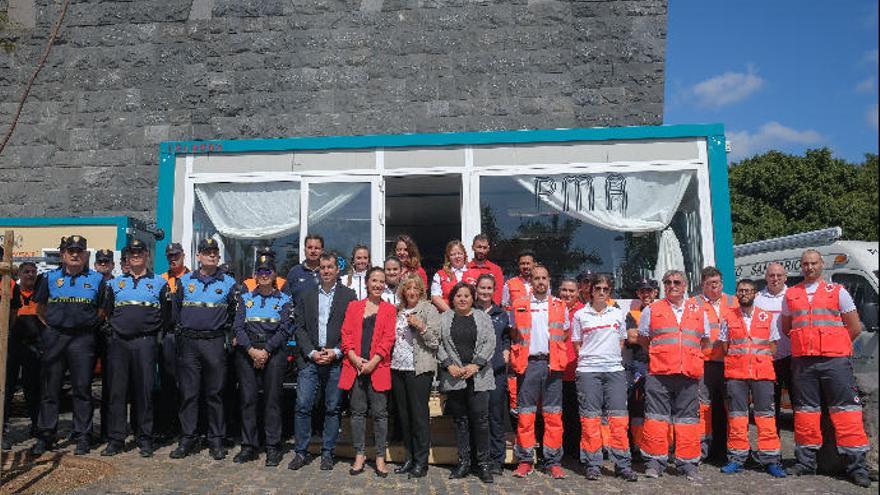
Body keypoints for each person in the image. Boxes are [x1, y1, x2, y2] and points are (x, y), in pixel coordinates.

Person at [781, 250, 871, 487]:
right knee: (805, 413)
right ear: (800, 267)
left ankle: (857, 466)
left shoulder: (838, 292)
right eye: (805, 264)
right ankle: (806, 462)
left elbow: (854, 327)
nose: (809, 267)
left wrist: (834, 345)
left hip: (834, 362)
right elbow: (787, 328)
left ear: (822, 264)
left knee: (846, 412)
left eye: (813, 263)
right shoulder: (791, 294)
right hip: (803, 362)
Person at [31, 235, 107, 456]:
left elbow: (102, 310)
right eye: (70, 251)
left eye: (79, 251)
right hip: (55, 338)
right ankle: (46, 435)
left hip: (83, 340)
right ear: (63, 255)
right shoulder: (49, 278)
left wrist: (86, 326)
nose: (75, 254)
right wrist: (53, 328)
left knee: (82, 389)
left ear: (85, 255)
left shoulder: (96, 280)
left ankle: (83, 435)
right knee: (50, 389)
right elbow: (40, 308)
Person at [637, 269, 710, 480]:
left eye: (677, 282)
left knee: (688, 421)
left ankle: (687, 464)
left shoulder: (699, 311)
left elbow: (704, 340)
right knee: (656, 419)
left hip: (688, 373)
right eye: (667, 282)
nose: (672, 285)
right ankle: (655, 462)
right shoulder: (651, 309)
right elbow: (643, 339)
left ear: (685, 285)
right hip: (659, 373)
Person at [100, 239, 170, 458]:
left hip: (145, 343)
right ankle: (116, 439)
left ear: (147, 255)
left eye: (140, 252)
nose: (136, 255)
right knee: (117, 392)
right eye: (132, 253)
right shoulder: (115, 284)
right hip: (119, 343)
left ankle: (145, 438)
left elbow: (166, 316)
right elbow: (107, 312)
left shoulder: (160, 283)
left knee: (144, 392)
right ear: (127, 257)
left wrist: (155, 338)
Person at [169, 238, 237, 460]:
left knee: (215, 394)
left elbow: (235, 314)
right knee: (188, 393)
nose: (211, 255)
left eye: (214, 252)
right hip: (189, 343)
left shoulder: (228, 283)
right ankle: (187, 438)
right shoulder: (186, 280)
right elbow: (176, 311)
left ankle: (216, 440)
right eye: (206, 252)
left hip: (214, 343)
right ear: (198, 256)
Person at [289, 253, 357, 471]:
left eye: (330, 267)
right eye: (323, 267)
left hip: (335, 360)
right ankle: (301, 452)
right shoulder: (306, 295)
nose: (326, 271)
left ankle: (328, 452)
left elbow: (352, 329)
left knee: (332, 408)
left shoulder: (349, 295)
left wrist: (336, 351)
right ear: (318, 270)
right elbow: (299, 327)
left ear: (337, 270)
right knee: (302, 406)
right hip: (311, 360)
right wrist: (310, 352)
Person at [571, 274, 637, 482]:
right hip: (589, 371)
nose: (601, 292)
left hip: (614, 371)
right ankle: (593, 464)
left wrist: (608, 359)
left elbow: (621, 342)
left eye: (605, 289)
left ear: (610, 292)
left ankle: (622, 464)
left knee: (619, 419)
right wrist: (592, 358)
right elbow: (577, 344)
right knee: (590, 420)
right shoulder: (580, 315)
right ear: (591, 291)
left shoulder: (617, 314)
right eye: (597, 288)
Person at [718, 279, 785, 478]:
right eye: (740, 290)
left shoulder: (767, 317)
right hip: (736, 375)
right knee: (737, 417)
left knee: (765, 417)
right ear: (737, 294)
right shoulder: (728, 317)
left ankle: (770, 460)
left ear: (755, 293)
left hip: (762, 373)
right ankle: (737, 459)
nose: (744, 293)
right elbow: (724, 346)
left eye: (748, 290)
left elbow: (773, 346)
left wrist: (757, 359)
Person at [510, 265, 570, 480]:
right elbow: (514, 333)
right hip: (528, 365)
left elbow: (563, 334)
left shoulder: (560, 305)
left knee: (553, 416)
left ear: (549, 279)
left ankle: (553, 462)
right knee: (525, 415)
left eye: (544, 278)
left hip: (552, 365)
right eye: (536, 278)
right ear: (531, 281)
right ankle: (526, 460)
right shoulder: (518, 305)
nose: (540, 282)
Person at [232, 255, 293, 466]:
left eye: (268, 271)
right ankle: (249, 445)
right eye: (260, 271)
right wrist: (251, 350)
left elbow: (285, 329)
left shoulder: (284, 300)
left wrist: (265, 350)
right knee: (248, 400)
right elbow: (238, 327)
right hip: (247, 352)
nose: (264, 275)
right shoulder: (245, 298)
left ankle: (273, 447)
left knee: (272, 401)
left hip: (273, 352)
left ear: (274, 274)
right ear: (255, 275)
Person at [340, 267, 396, 478]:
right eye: (374, 280)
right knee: (357, 413)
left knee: (380, 415)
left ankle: (380, 456)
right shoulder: (354, 306)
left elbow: (388, 339)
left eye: (381, 281)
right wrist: (354, 358)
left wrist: (373, 361)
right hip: (355, 368)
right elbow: (345, 334)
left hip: (377, 368)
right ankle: (360, 454)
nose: (378, 285)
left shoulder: (389, 309)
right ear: (367, 283)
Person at [437, 282, 496, 483]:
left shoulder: (483, 317)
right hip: (455, 378)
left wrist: (476, 365)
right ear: (452, 299)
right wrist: (448, 365)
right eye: (458, 296)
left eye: (467, 296)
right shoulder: (444, 318)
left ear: (473, 298)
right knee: (460, 421)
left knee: (480, 421)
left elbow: (490, 343)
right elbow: (437, 344)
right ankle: (463, 462)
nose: (463, 299)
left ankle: (484, 464)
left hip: (478, 376)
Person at [390, 273, 440, 478]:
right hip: (398, 367)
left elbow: (435, 341)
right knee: (404, 416)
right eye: (407, 288)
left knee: (419, 416)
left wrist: (421, 326)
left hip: (419, 369)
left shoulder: (429, 309)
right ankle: (409, 458)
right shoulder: (398, 311)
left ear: (421, 291)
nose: (411, 292)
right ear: (402, 291)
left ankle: (421, 461)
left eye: (415, 288)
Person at [473, 273, 510, 475]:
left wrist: (506, 350)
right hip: (475, 372)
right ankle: (480, 457)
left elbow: (506, 338)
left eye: (489, 288)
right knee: (479, 417)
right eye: (482, 288)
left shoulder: (501, 314)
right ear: (476, 289)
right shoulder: (469, 310)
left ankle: (497, 459)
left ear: (493, 290)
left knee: (496, 417)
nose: (485, 292)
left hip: (496, 372)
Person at [699, 266, 737, 461]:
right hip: (704, 363)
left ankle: (732, 451)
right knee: (703, 408)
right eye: (709, 283)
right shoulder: (693, 303)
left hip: (730, 362)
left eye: (717, 283)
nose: (714, 287)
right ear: (702, 285)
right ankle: (703, 451)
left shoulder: (734, 301)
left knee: (731, 407)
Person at [156, 242, 189, 440]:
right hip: (168, 335)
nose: (173, 259)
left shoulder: (192, 278)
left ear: (183, 256)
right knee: (168, 382)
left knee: (187, 383)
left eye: (176, 255)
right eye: (169, 256)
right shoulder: (161, 280)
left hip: (186, 337)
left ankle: (187, 427)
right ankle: (168, 425)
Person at [754, 262, 792, 427]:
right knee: (770, 406)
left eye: (779, 275)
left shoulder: (793, 295)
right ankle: (773, 448)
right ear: (765, 277)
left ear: (785, 277)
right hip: (767, 360)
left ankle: (804, 449)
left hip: (792, 358)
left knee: (799, 405)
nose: (775, 279)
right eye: (771, 275)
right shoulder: (757, 299)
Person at [624, 277, 657, 453]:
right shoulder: (633, 314)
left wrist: (643, 336)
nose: (646, 294)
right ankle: (637, 446)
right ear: (638, 294)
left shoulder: (662, 310)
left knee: (659, 406)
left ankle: (661, 445)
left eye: (649, 290)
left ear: (655, 292)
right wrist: (657, 337)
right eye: (642, 291)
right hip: (640, 364)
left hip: (661, 364)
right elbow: (631, 337)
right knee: (637, 405)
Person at [557, 277, 583, 461]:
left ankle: (574, 451)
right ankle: (558, 449)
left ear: (578, 293)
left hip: (576, 369)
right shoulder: (553, 307)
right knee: (556, 413)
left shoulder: (584, 311)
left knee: (575, 414)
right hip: (556, 368)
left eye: (571, 291)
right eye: (564, 290)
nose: (567, 294)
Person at [2, 256, 25, 451]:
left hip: (2, 344)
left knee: (4, 390)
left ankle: (1, 430)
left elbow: (14, 314)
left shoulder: (9, 284)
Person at [463, 234, 504, 305]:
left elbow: (498, 294)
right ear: (473, 248)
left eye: (484, 248)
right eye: (479, 247)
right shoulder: (465, 268)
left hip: (489, 311)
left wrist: (491, 311)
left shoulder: (496, 269)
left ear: (488, 249)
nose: (481, 251)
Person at [431, 240, 469, 312]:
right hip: (447, 315)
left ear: (464, 255)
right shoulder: (439, 275)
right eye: (453, 254)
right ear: (448, 257)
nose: (457, 256)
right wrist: (452, 314)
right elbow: (435, 297)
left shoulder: (475, 273)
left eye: (460, 253)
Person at [285, 234, 324, 302]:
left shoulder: (328, 272)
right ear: (304, 250)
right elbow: (285, 299)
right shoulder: (294, 272)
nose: (313, 251)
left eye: (317, 248)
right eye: (309, 247)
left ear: (322, 251)